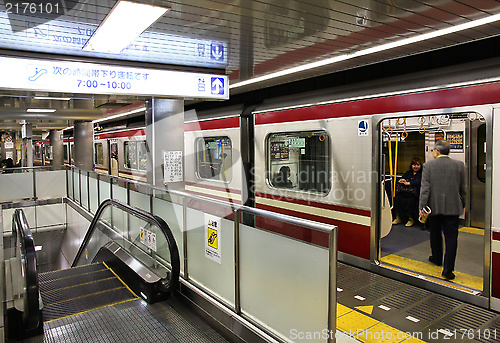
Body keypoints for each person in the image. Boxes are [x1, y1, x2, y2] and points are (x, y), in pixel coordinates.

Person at [419, 140, 466, 280]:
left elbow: (425, 190)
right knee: (451, 238)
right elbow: (463, 188)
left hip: (434, 206)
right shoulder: (459, 165)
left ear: (437, 151)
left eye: (433, 150)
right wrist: (462, 203)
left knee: (435, 233)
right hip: (453, 207)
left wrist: (422, 207)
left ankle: (437, 258)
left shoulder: (428, 166)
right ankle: (448, 270)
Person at [392, 158, 422, 227]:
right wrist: (402, 180)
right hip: (405, 192)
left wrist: (410, 183)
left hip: (414, 194)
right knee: (397, 199)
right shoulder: (408, 173)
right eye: (414, 165)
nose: (416, 167)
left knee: (410, 202)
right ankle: (398, 217)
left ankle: (411, 219)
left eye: (418, 165)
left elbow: (420, 181)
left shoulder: (421, 174)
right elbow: (403, 178)